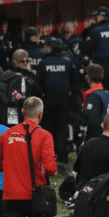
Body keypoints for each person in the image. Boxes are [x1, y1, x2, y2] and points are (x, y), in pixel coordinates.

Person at [36, 36, 78, 168]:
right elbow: (75, 83)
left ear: (50, 47)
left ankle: (48, 157)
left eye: (46, 45)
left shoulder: (44, 62)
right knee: (61, 128)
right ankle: (62, 158)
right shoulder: (68, 61)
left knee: (48, 128)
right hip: (64, 100)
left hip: (48, 100)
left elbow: (39, 83)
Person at [81, 6, 109, 98]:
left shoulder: (95, 31)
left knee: (102, 96)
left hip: (103, 68)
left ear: (100, 17)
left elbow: (86, 48)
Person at [81, 64, 109, 142]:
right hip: (108, 137)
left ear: (88, 78)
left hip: (96, 140)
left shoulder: (93, 96)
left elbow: (92, 121)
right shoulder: (107, 94)